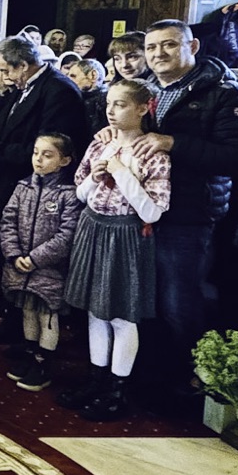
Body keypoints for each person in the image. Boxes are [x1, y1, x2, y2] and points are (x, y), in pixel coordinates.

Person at [133, 19, 238, 410]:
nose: (158, 54)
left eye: (168, 45)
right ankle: (149, 377)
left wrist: (174, 143)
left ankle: (189, 382)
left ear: (192, 46)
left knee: (180, 302)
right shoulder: (145, 89)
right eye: (151, 48)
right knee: (144, 299)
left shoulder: (223, 92)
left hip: (189, 214)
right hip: (143, 210)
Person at [61, 80, 172, 421]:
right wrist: (94, 178)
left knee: (121, 315)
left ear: (142, 108)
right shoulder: (100, 143)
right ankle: (96, 379)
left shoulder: (153, 153)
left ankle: (116, 389)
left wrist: (122, 173)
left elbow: (153, 211)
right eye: (109, 104)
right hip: (93, 226)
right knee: (95, 310)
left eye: (120, 104)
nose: (111, 111)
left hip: (125, 234)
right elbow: (80, 193)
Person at [0, 37, 88, 339]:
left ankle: (32, 339)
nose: (3, 77)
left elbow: (50, 149)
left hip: (43, 192)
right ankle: (14, 320)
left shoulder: (59, 91)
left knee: (33, 264)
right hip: (16, 185)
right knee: (9, 251)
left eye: (5, 70)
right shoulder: (27, 87)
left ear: (22, 65)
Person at [0, 132, 82, 392]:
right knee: (28, 312)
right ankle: (30, 355)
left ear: (64, 161)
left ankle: (44, 364)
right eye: (36, 153)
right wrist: (14, 254)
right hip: (20, 266)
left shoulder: (69, 194)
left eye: (47, 155)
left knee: (47, 315)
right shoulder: (23, 187)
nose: (39, 159)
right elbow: (8, 221)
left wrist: (35, 259)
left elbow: (67, 235)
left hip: (48, 270)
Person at [63, 54, 108, 133]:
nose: (68, 80)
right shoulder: (76, 99)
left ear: (93, 75)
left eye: (73, 76)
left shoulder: (105, 102)